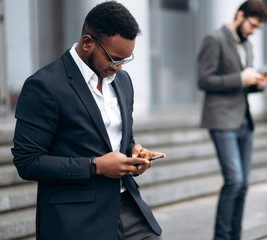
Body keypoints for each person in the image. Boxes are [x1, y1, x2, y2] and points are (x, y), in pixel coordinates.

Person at [12, 2, 165, 240]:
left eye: (126, 59)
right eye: (114, 59)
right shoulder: (44, 86)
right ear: (87, 43)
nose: (120, 67)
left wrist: (135, 153)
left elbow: (122, 141)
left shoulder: (123, 82)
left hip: (128, 208)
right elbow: (27, 162)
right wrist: (96, 166)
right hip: (76, 217)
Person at [197, 1, 267, 239]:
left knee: (243, 185)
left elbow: (242, 84)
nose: (254, 31)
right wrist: (240, 79)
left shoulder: (248, 45)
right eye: (253, 25)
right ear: (240, 15)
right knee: (234, 181)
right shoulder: (214, 39)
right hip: (221, 121)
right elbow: (204, 80)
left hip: (243, 122)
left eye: (258, 27)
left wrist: (256, 84)